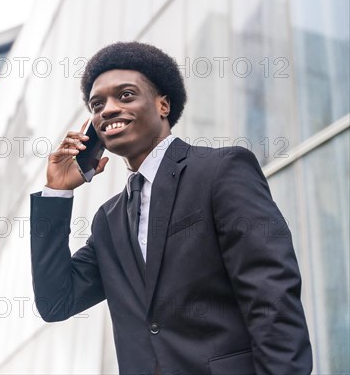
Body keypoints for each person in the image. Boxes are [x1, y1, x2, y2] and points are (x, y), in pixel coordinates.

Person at [29, 42, 312, 374]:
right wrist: (56, 194)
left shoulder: (221, 170)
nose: (107, 110)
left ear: (163, 105)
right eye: (97, 104)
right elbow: (55, 301)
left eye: (125, 95)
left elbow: (272, 297)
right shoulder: (109, 221)